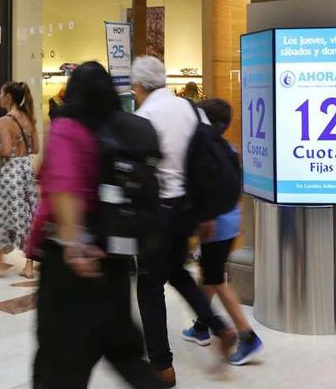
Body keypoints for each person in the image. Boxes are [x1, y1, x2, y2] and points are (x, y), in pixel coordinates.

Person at [27, 61, 163, 388]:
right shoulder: (116, 130)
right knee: (124, 353)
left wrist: (73, 245)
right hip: (112, 259)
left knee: (59, 365)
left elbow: (65, 187)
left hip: (73, 265)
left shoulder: (67, 128)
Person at [131, 56, 235, 388]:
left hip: (157, 211)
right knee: (177, 272)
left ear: (138, 86)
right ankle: (219, 326)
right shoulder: (192, 109)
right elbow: (207, 161)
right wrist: (206, 214)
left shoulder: (144, 117)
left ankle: (162, 366)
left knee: (150, 286)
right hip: (187, 208)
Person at [181, 98, 264, 365]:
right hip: (230, 221)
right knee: (209, 275)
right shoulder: (227, 148)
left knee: (216, 279)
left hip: (214, 224)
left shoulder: (205, 148)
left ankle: (247, 335)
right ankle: (201, 326)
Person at [0, 82, 39, 279]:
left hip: (10, 173)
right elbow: (36, 148)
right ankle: (29, 266)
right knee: (28, 215)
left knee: (1, 215)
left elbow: (5, 150)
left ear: (8, 97)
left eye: (1, 94)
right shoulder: (30, 119)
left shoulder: (4, 121)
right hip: (26, 170)